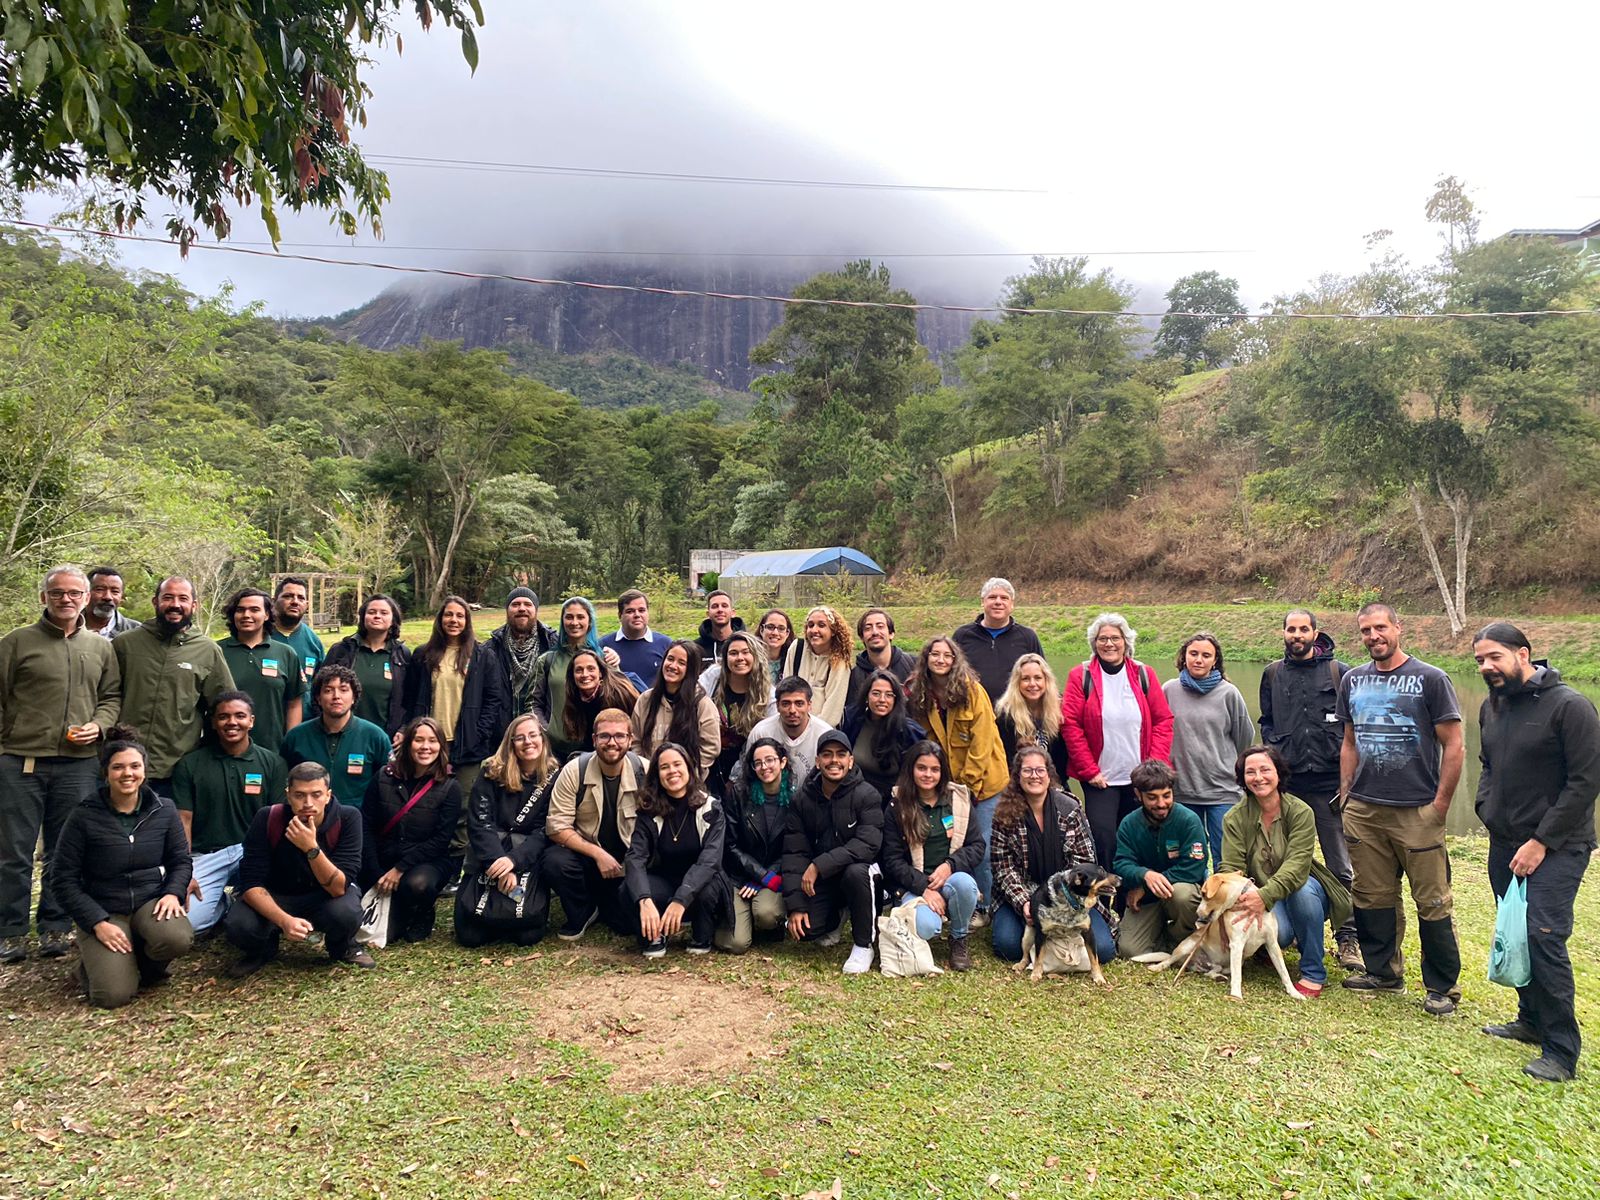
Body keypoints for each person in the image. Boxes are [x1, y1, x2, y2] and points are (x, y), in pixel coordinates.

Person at [1473, 622, 1600, 1082]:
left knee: (1544, 937)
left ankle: (1562, 1051)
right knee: (1517, 932)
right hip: (1505, 842)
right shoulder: (1493, 707)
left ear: (1523, 654)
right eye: (1480, 661)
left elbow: (1585, 783)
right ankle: (1529, 1020)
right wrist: (1485, 807)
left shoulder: (1570, 707)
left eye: (1495, 657)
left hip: (1559, 846)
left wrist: (1541, 841)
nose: (1487, 667)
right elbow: (1488, 765)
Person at [1336, 602, 1464, 1015]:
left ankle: (1442, 986)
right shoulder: (1352, 680)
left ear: (1397, 628)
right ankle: (1383, 972)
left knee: (1432, 899)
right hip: (1365, 810)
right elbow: (1350, 742)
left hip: (1417, 810)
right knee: (1372, 895)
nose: (1374, 636)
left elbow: (1455, 744)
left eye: (1380, 628)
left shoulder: (1430, 678)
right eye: (1366, 631)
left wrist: (1440, 805)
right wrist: (1346, 795)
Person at [0, 566, 121, 963]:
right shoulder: (17, 643)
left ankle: (56, 925)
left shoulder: (100, 647)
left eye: (74, 593)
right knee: (14, 851)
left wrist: (99, 725)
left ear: (86, 598)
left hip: (78, 764)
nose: (65, 599)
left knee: (63, 850)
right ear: (44, 598)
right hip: (21, 761)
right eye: (57, 593)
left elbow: (111, 696)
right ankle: (10, 930)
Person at [48, 728, 194, 1007]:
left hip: (147, 902)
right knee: (112, 996)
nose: (127, 773)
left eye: (135, 766)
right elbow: (62, 879)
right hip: (104, 908)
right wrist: (96, 922)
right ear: (106, 773)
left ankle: (143, 965)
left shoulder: (163, 810)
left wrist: (172, 893)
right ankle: (90, 966)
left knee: (176, 937)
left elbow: (180, 860)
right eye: (118, 767)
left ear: (144, 770)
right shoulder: (83, 816)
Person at [1258, 608, 1360, 970]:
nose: (1296, 635)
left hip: (1330, 786)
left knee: (1340, 866)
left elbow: (1354, 729)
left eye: (1303, 629)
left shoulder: (1340, 672)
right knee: (1286, 862)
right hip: (1289, 786)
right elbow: (1266, 722)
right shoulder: (1272, 674)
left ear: (1316, 633)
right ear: (1283, 633)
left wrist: (1349, 783)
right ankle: (1296, 930)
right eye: (1291, 629)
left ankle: (1348, 938)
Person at [1221, 745, 1354, 999]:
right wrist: (1246, 897)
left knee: (1302, 893)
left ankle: (1313, 971)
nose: (1258, 777)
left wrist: (1264, 897)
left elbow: (1297, 865)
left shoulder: (1301, 811)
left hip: (1302, 888)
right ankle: (1276, 944)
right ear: (1242, 779)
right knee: (1280, 935)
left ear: (1278, 773)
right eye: (1250, 772)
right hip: (1259, 891)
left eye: (1264, 770)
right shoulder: (1233, 818)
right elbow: (1231, 868)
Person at [223, 761, 371, 974]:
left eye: (316, 794)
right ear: (288, 795)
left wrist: (311, 848)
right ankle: (262, 949)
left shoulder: (347, 818)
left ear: (328, 795)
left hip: (324, 896)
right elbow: (251, 882)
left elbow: (338, 887)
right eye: (300, 795)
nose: (308, 802)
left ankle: (343, 947)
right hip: (277, 894)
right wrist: (284, 921)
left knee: (346, 912)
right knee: (239, 925)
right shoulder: (268, 818)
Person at [1060, 612, 1175, 872]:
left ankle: (1133, 903)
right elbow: (1071, 725)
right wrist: (1089, 771)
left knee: (1138, 840)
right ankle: (1106, 898)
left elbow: (1163, 720)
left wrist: (1152, 768)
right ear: (1094, 643)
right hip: (1101, 778)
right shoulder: (1081, 676)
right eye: (1102, 639)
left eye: (1115, 638)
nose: (1109, 644)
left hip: (1139, 778)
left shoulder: (1144, 674)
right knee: (1103, 839)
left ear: (1126, 642)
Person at [905, 637, 1007, 920]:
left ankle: (983, 908)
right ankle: (954, 903)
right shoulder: (922, 696)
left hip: (982, 785)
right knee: (952, 845)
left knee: (981, 847)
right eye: (933, 654)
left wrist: (967, 788)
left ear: (955, 659)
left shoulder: (973, 691)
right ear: (925, 660)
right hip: (945, 786)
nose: (940, 659)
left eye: (946, 655)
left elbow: (982, 742)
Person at [172, 692, 287, 936]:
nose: (232, 722)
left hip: (252, 852)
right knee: (188, 926)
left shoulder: (273, 763)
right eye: (223, 717)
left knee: (270, 908)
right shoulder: (190, 764)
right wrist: (184, 871)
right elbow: (184, 821)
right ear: (213, 722)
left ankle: (243, 902)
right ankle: (224, 905)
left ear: (251, 721)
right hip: (206, 855)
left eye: (239, 716)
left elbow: (277, 821)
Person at [990, 746, 1116, 965]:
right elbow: (1003, 868)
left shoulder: (1070, 807)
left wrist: (1063, 901)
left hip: (1070, 896)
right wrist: (1024, 903)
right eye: (1027, 771)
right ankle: (1044, 937)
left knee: (1104, 951)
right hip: (1025, 893)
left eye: (1040, 770)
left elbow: (1085, 860)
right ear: (1017, 776)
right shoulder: (1004, 813)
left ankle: (1051, 939)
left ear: (1049, 774)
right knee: (1008, 946)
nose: (1034, 776)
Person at [114, 576, 235, 792]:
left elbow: (224, 706)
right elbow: (107, 696)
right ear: (155, 602)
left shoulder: (208, 651)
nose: (175, 604)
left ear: (194, 605)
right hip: (124, 763)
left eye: (183, 598)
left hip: (178, 766)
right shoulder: (125, 644)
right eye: (168, 597)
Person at [782, 730, 884, 974]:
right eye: (827, 755)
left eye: (841, 755)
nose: (834, 761)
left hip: (863, 875)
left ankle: (863, 945)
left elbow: (868, 846)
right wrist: (796, 905)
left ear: (850, 760)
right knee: (804, 931)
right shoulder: (803, 799)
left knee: (856, 872)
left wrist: (819, 865)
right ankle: (838, 914)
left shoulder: (867, 794)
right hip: (825, 881)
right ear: (817, 761)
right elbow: (795, 853)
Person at [455, 714, 558, 948]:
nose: (527, 742)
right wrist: (499, 864)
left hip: (525, 859)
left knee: (527, 935)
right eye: (519, 738)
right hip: (489, 857)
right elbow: (480, 822)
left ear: (542, 739)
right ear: (510, 743)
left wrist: (514, 861)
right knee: (470, 937)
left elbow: (545, 830)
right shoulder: (491, 772)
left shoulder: (555, 776)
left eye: (533, 735)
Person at [543, 708, 646, 940]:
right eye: (604, 736)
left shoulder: (645, 771)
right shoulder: (573, 771)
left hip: (628, 862)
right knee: (554, 861)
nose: (612, 743)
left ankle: (606, 904)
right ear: (594, 739)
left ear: (630, 740)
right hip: (587, 859)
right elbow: (557, 827)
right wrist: (598, 854)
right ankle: (582, 911)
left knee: (627, 926)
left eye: (620, 736)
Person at [881, 740, 984, 971]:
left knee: (966, 884)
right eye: (922, 768)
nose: (928, 774)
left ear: (943, 771)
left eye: (935, 769)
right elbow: (891, 860)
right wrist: (924, 888)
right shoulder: (897, 805)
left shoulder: (958, 800)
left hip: (951, 880)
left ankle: (959, 938)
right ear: (911, 770)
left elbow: (977, 846)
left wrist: (950, 865)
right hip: (914, 885)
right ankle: (930, 921)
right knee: (927, 928)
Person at [361, 717, 461, 944]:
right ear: (408, 744)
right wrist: (376, 871)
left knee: (417, 884)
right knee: (389, 934)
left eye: (433, 741)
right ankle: (399, 907)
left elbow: (441, 839)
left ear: (441, 746)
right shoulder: (383, 777)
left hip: (425, 860)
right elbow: (366, 825)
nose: (426, 747)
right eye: (419, 740)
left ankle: (422, 912)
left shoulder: (449, 786)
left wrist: (400, 869)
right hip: (383, 856)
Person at [626, 743, 729, 957]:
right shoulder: (648, 811)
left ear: (689, 768)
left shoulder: (711, 808)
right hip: (665, 881)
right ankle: (654, 934)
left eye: (677, 764)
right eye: (664, 767)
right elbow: (635, 858)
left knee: (708, 886)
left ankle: (702, 934)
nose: (672, 771)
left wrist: (681, 899)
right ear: (657, 774)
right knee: (629, 889)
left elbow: (709, 862)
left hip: (701, 884)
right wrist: (644, 900)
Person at [1162, 632, 1254, 871]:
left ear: (1215, 661)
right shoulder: (1169, 690)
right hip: (1182, 790)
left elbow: (1245, 737)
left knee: (1226, 858)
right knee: (1190, 859)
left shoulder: (1229, 693)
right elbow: (1159, 733)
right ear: (1184, 657)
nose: (1199, 660)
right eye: (1193, 654)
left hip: (1222, 790)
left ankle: (1227, 906)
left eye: (1206, 655)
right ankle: (1194, 905)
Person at [402, 595, 510, 799]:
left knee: (463, 804)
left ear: (467, 621)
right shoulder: (423, 654)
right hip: (428, 743)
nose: (454, 620)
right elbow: (409, 698)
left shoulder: (482, 656)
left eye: (460, 616)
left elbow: (493, 699)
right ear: (440, 619)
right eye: (448, 614)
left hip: (467, 745)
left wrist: (477, 733)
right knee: (425, 800)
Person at [1113, 759, 1207, 958]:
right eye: (1152, 798)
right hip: (1147, 900)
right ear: (1138, 795)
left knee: (1183, 895)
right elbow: (1121, 863)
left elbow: (1194, 868)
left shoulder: (1189, 820)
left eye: (1166, 795)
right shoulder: (1129, 823)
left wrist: (1147, 885)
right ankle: (1163, 938)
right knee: (1130, 951)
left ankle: (1180, 936)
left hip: (1178, 891)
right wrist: (1144, 874)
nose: (1161, 803)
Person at [715, 737, 793, 954]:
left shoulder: (796, 798)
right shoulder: (737, 794)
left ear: (783, 762)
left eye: (770, 760)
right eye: (757, 763)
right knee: (737, 943)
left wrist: (766, 878)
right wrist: (759, 875)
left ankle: (766, 923)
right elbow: (729, 844)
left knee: (767, 914)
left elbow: (795, 847)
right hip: (738, 876)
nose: (764, 767)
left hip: (773, 876)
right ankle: (734, 919)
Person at [280, 665, 392, 810]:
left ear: (354, 697)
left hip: (358, 822)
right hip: (307, 818)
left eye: (344, 690)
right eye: (328, 690)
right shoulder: (296, 737)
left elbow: (387, 786)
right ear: (318, 699)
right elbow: (284, 783)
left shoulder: (375, 737)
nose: (336, 696)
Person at [216, 587, 303, 754]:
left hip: (271, 749)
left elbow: (294, 703)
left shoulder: (285, 653)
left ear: (267, 615)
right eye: (240, 610)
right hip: (219, 750)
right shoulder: (216, 651)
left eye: (254, 609)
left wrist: (289, 741)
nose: (246, 615)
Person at [698, 630, 775, 797]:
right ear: (725, 659)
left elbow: (766, 738)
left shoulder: (768, 694)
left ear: (756, 657)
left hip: (748, 765)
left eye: (746, 652)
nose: (740, 658)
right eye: (733, 653)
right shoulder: (713, 678)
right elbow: (691, 698)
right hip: (710, 761)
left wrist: (736, 776)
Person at [324, 594, 411, 735]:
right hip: (342, 733)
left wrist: (404, 730)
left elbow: (410, 699)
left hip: (387, 737)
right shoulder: (342, 651)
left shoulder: (402, 655)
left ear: (393, 620)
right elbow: (319, 690)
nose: (377, 616)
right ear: (363, 617)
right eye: (372, 612)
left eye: (384, 613)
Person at [529, 596, 621, 727]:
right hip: (555, 744)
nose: (574, 622)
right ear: (562, 621)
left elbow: (619, 700)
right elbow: (533, 703)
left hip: (595, 743)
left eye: (580, 617)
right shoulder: (547, 661)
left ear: (590, 621)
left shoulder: (604, 659)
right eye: (569, 617)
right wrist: (545, 731)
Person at [836, 669, 925, 803]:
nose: (882, 700)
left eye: (889, 695)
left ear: (896, 699)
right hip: (853, 794)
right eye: (876, 694)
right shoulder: (852, 720)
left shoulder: (908, 731)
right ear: (867, 696)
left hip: (890, 802)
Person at [631, 640, 718, 776]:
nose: (673, 666)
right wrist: (645, 772)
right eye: (670, 659)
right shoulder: (646, 699)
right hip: (650, 782)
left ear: (691, 669)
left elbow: (710, 747)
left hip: (688, 785)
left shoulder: (702, 704)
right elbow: (635, 741)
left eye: (681, 663)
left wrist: (686, 776)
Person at [951, 578, 1044, 703]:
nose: (998, 602)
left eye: (1004, 598)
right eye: (992, 597)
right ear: (982, 602)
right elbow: (950, 676)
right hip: (972, 713)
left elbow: (1043, 677)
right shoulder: (962, 636)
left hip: (1016, 713)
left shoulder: (1027, 637)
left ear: (1012, 604)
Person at [553, 649, 641, 765]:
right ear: (572, 676)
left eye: (591, 669)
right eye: (579, 670)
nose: (585, 675)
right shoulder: (575, 699)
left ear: (600, 672)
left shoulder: (619, 694)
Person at [994, 653, 1070, 787]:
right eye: (1025, 679)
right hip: (1019, 784)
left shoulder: (1059, 708)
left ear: (1046, 680)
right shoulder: (1005, 715)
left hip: (1055, 782)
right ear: (1017, 682)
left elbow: (1063, 757)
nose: (1032, 684)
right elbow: (1005, 760)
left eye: (1038, 678)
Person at [740, 677, 833, 786]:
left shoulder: (824, 734)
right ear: (777, 706)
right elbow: (749, 774)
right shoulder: (761, 732)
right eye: (786, 704)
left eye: (799, 704)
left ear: (809, 705)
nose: (792, 710)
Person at [487, 587, 557, 719]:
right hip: (502, 734)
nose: (522, 609)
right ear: (507, 610)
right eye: (515, 604)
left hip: (542, 730)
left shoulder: (553, 645)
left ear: (535, 610)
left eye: (528, 604)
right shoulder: (490, 649)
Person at [779, 606, 854, 727]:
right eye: (810, 625)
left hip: (822, 731)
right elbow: (785, 690)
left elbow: (833, 711)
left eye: (821, 625)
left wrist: (808, 732)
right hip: (790, 726)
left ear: (833, 630)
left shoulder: (839, 662)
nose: (814, 630)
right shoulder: (797, 648)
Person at [269, 576, 326, 709]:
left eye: (301, 598)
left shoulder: (314, 642)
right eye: (288, 596)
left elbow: (321, 685)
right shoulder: (260, 635)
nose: (295, 602)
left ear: (306, 604)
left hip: (305, 722)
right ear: (273, 601)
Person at [600, 589, 673, 689]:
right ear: (620, 615)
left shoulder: (666, 644)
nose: (637, 615)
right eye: (630, 611)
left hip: (655, 704)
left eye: (642, 610)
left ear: (648, 613)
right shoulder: (604, 645)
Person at [845, 607, 916, 710]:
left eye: (880, 626)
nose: (875, 632)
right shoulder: (854, 677)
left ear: (891, 634)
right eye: (868, 628)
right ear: (862, 637)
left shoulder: (914, 665)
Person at [83, 566, 140, 639]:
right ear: (86, 593)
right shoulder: (68, 626)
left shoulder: (135, 631)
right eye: (100, 590)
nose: (108, 597)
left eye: (115, 591)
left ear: (121, 596)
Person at [694, 589, 745, 665]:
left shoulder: (747, 645)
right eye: (715, 606)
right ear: (708, 614)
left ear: (733, 613)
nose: (720, 610)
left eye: (724, 606)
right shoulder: (696, 648)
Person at [755, 609, 795, 686]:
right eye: (770, 627)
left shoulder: (794, 660)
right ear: (761, 630)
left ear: (787, 633)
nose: (775, 633)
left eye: (781, 628)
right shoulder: (750, 658)